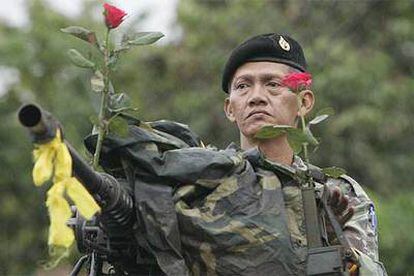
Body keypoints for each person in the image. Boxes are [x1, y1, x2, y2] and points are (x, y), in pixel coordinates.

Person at [85, 33, 387, 275]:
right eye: (243, 86)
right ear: (230, 108)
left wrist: (332, 241)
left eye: (272, 84)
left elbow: (368, 270)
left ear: (304, 102)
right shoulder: (198, 181)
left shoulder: (336, 192)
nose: (256, 96)